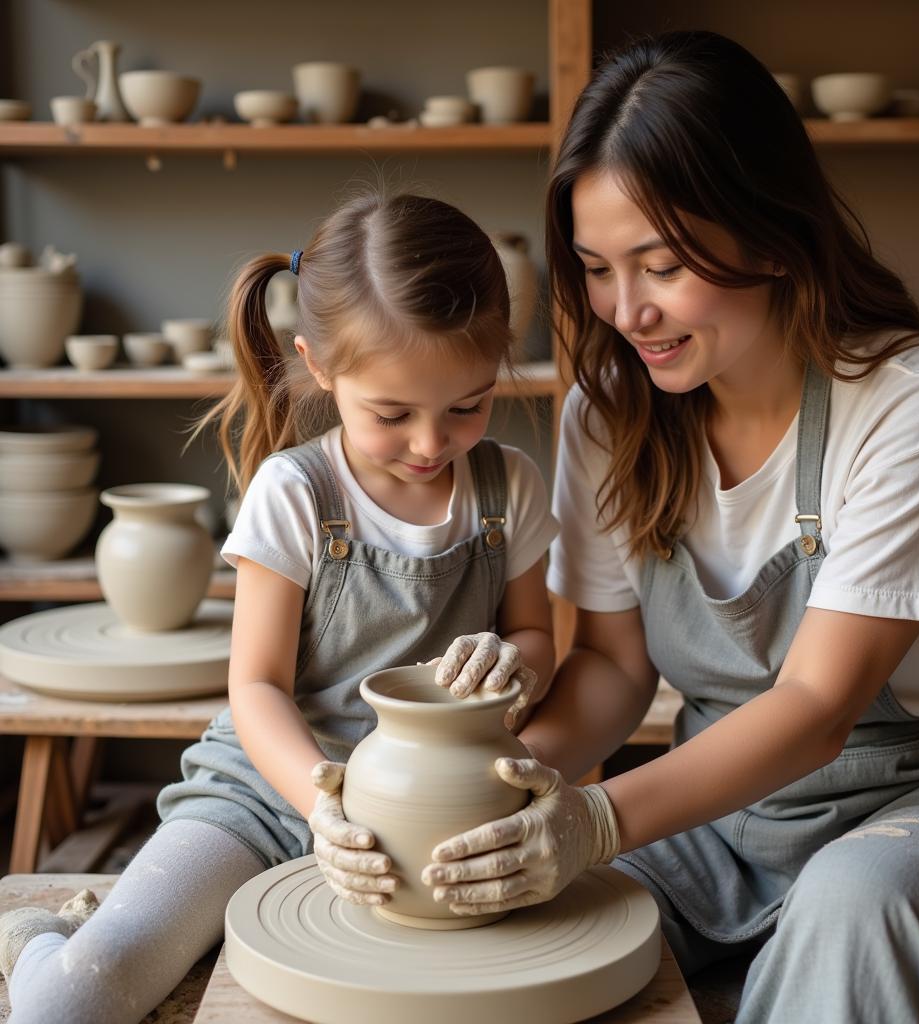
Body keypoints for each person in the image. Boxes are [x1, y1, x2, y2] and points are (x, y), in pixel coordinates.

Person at [413, 31, 919, 1023]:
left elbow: (822, 702)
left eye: (658, 265)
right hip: (727, 807)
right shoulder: (608, 412)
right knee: (526, 920)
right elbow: (611, 667)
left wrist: (600, 816)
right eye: (597, 268)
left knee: (853, 907)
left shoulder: (912, 399)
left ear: (771, 233)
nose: (625, 311)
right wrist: (496, 790)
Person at [0, 191, 558, 1023]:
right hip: (269, 791)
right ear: (321, 367)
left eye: (467, 406)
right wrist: (322, 804)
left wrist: (519, 664)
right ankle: (45, 941)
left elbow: (537, 640)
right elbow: (254, 687)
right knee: (70, 1006)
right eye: (392, 413)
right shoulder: (296, 491)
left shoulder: (508, 485)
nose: (431, 444)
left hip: (444, 806)